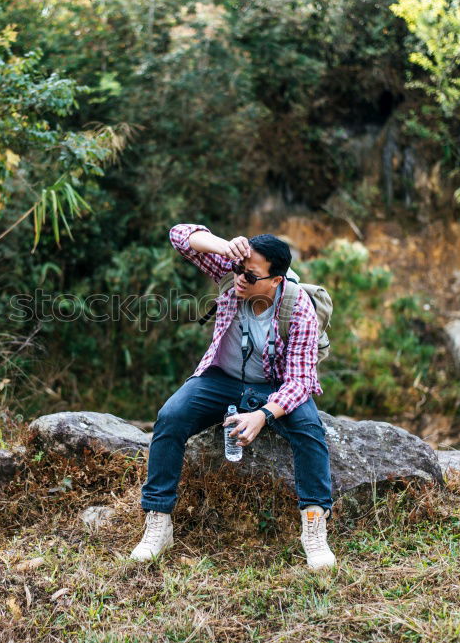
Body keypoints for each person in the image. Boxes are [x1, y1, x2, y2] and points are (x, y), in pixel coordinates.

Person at [130, 223, 336, 570]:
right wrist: (226, 248)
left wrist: (264, 416)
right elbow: (180, 236)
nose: (241, 279)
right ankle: (158, 523)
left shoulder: (299, 308)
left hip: (275, 387)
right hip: (220, 379)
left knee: (309, 431)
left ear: (276, 280)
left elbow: (301, 381)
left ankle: (314, 529)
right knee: (170, 417)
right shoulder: (233, 273)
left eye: (251, 275)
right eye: (239, 269)